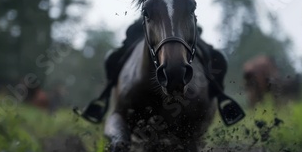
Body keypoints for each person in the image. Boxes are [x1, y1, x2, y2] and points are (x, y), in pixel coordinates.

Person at [75, 20, 244, 126]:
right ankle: (105, 97)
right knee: (112, 57)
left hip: (183, 25)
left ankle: (220, 96)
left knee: (217, 57)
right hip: (150, 25)